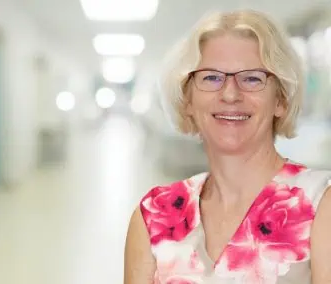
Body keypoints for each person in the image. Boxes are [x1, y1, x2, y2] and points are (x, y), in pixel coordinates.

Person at [124, 9, 331, 284]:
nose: (231, 94)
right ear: (187, 100)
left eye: (252, 78)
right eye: (211, 78)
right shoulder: (154, 216)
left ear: (281, 99)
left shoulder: (320, 207)